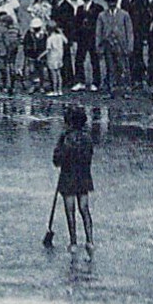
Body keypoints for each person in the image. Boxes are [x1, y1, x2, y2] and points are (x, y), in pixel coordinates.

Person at [52, 107, 95, 254]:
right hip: (84, 176)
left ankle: (73, 242)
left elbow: (57, 160)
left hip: (68, 177)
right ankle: (90, 241)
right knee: (84, 209)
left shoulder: (65, 138)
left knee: (70, 211)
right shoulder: (88, 138)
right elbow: (89, 156)